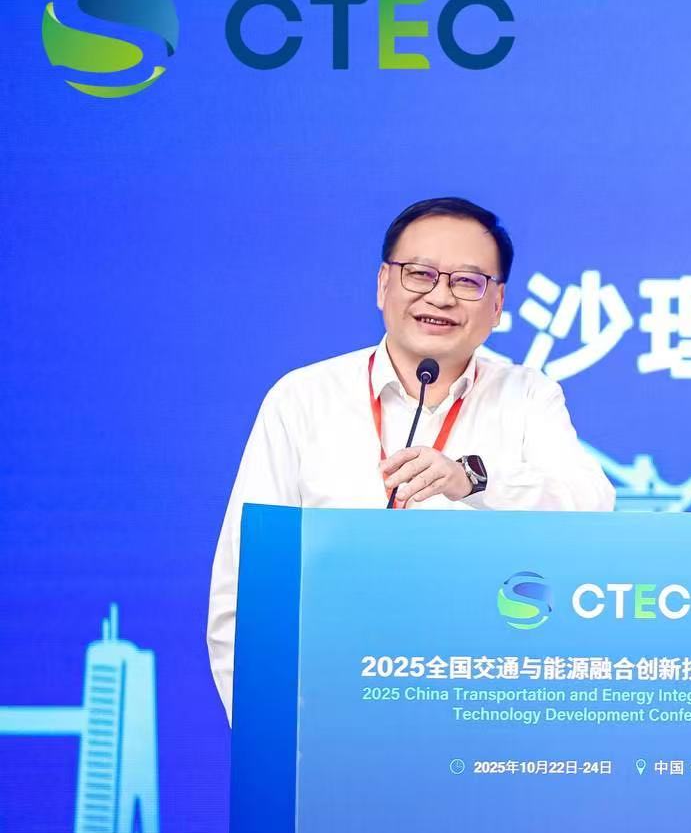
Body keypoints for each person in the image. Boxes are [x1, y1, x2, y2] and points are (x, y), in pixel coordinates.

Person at [208, 196, 614, 719]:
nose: (440, 297)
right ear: (383, 284)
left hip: (485, 705)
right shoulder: (303, 398)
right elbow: (245, 587)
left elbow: (590, 503)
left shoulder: (528, 396)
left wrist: (472, 478)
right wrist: (272, 736)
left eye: (467, 282)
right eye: (419, 274)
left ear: (497, 304)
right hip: (334, 712)